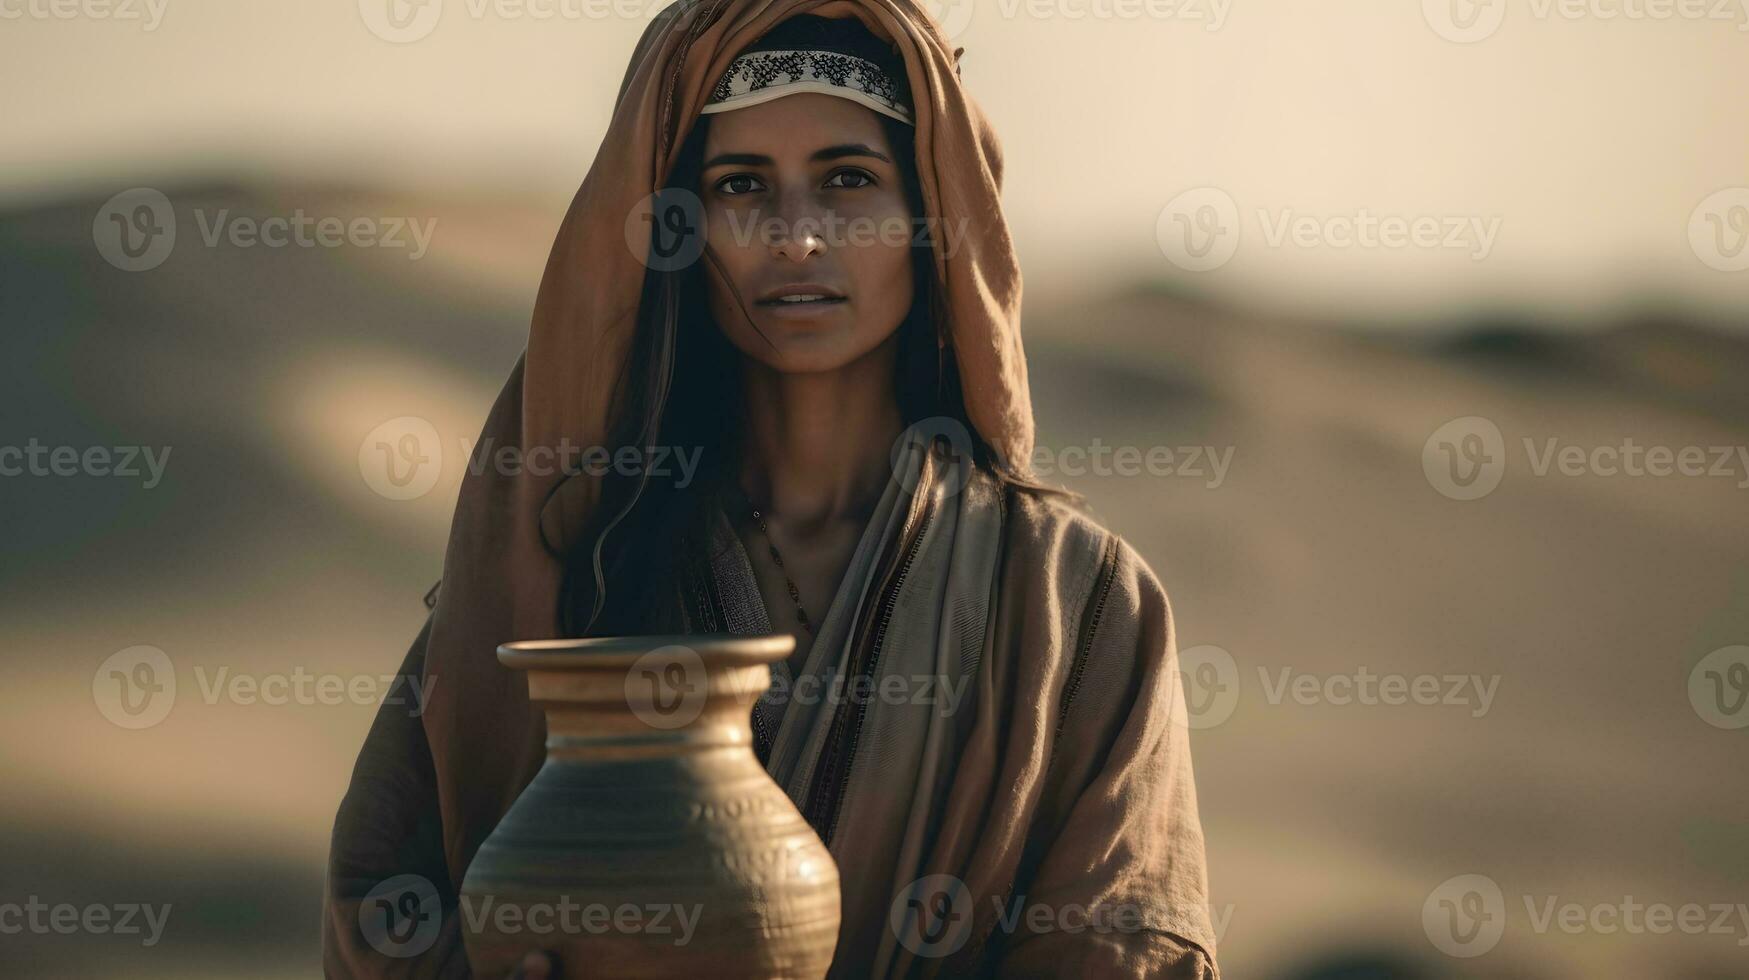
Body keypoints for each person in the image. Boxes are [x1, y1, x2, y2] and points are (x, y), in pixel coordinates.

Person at [322, 2, 1218, 977]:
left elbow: (1120, 940)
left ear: (931, 215)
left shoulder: (1079, 606)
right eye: (742, 184)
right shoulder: (572, 574)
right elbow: (386, 899)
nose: (796, 236)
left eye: (847, 179)